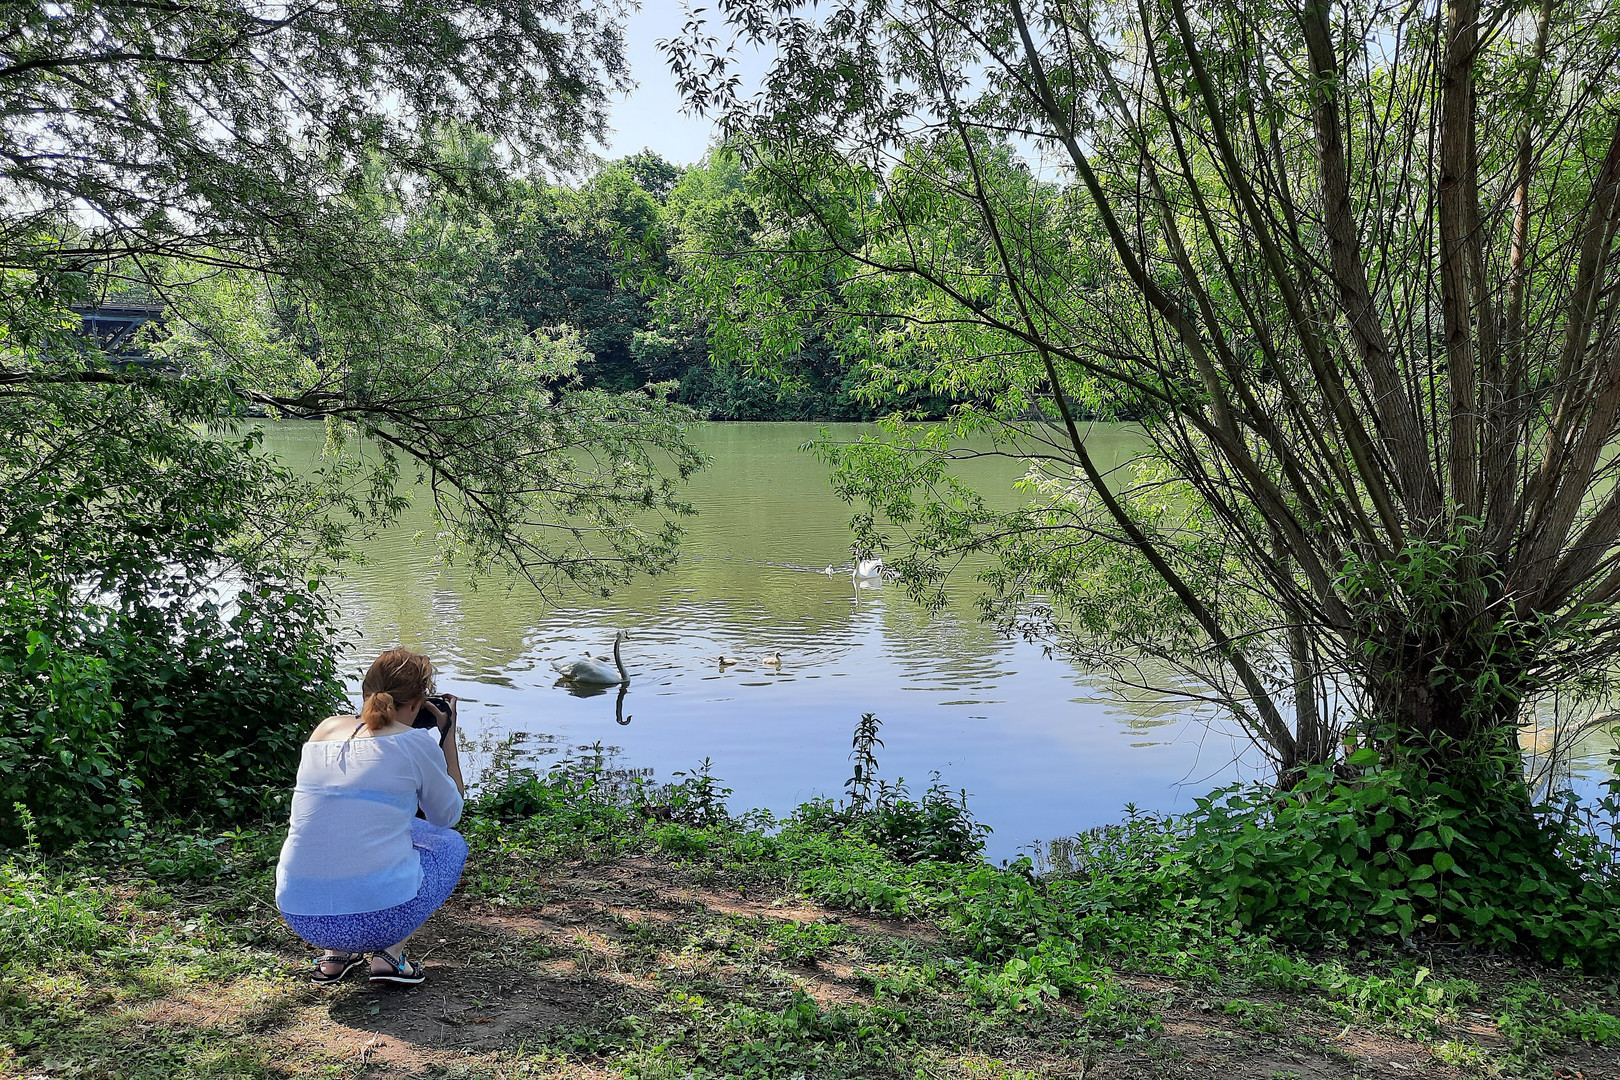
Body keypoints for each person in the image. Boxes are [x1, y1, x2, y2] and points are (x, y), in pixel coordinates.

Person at [275, 647, 468, 986]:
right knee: (450, 845)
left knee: (348, 828)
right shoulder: (415, 742)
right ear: (417, 703)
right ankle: (390, 958)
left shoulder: (324, 730)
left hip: (301, 913)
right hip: (378, 919)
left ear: (366, 692)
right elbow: (447, 816)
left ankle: (334, 956)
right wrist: (447, 733)